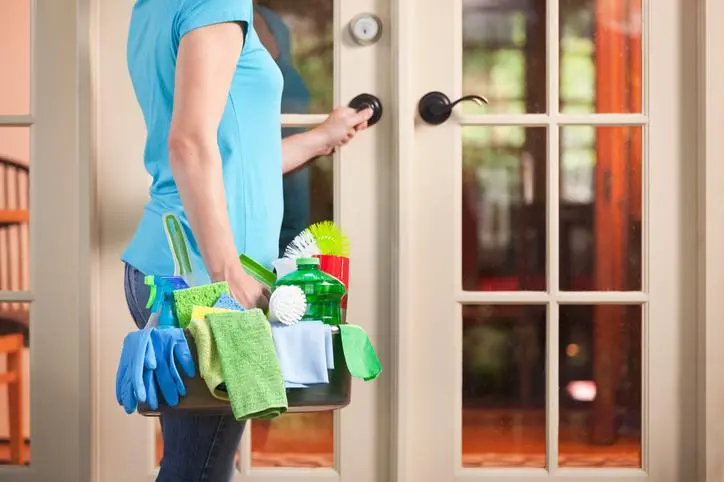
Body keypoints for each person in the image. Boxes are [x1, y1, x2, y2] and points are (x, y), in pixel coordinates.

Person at [121, 0, 373, 480]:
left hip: (177, 266)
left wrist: (322, 137)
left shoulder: (151, 7)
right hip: (198, 279)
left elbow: (232, 157)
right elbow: (190, 145)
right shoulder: (216, 3)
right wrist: (227, 273)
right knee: (200, 469)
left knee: (208, 462)